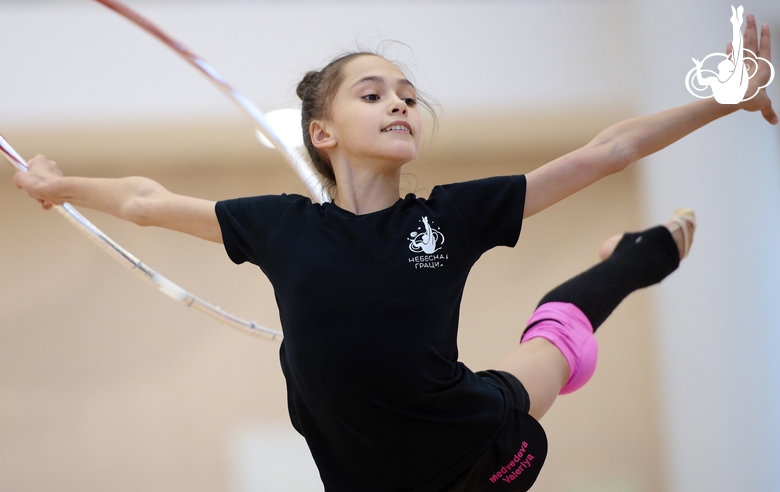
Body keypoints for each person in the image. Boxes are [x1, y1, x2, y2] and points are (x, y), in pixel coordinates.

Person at [12, 13, 775, 492]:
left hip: (477, 444)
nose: (400, 102)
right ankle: (634, 258)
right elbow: (147, 203)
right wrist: (60, 183)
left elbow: (606, 152)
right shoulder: (283, 227)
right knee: (551, 345)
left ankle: (637, 256)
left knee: (557, 341)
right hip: (362, 478)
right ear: (323, 132)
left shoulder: (452, 216)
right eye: (372, 93)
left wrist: (726, 97)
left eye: (407, 93)